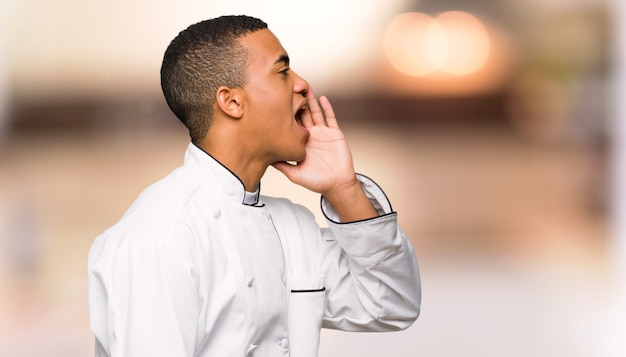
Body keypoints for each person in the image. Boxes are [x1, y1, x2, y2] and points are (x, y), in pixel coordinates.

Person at [88, 15, 421, 357]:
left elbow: (392, 304)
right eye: (282, 71)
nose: (303, 84)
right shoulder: (160, 237)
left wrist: (344, 189)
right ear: (231, 102)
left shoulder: (293, 228)